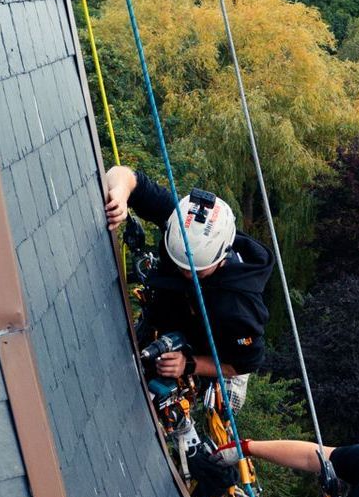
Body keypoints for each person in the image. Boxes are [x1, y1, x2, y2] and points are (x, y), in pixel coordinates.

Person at [103, 166, 272, 405]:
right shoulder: (183, 223)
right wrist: (120, 196)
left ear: (222, 256)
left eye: (197, 271)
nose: (186, 273)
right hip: (163, 317)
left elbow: (243, 362)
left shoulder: (240, 308)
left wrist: (189, 364)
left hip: (195, 347)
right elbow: (125, 175)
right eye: (179, 263)